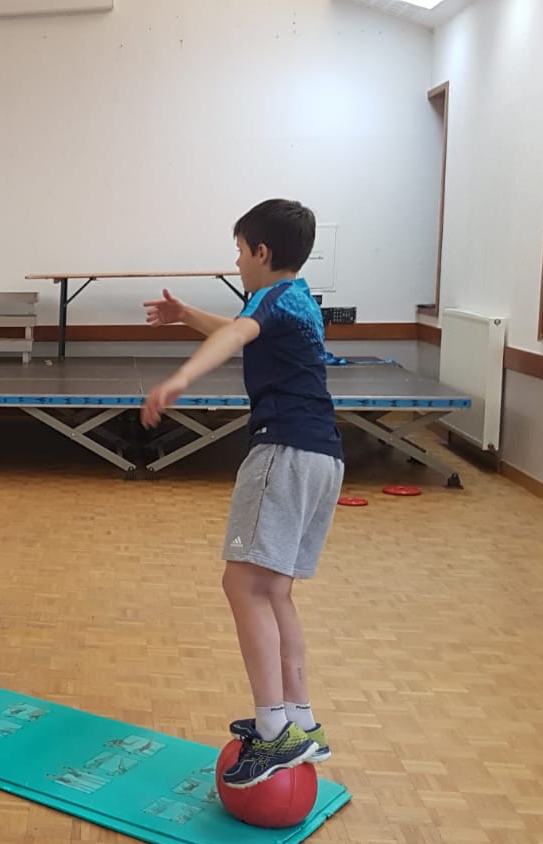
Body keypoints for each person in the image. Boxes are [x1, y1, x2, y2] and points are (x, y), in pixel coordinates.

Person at [141, 198, 342, 789]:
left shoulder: (270, 299)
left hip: (283, 453)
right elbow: (242, 331)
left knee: (242, 584)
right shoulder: (298, 299)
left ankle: (272, 730)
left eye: (238, 251)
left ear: (262, 251)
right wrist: (186, 315)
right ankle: (300, 721)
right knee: (274, 589)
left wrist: (180, 378)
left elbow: (236, 335)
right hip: (324, 456)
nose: (236, 262)